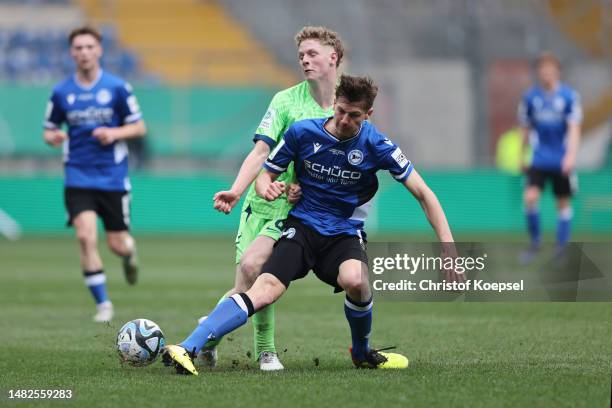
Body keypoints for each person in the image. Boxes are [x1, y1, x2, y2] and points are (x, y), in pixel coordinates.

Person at [162, 74, 460, 375]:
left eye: (354, 115)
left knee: (356, 280)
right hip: (301, 227)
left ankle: (361, 352)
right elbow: (267, 173)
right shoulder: (301, 133)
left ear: (368, 115)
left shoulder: (377, 144)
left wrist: (448, 249)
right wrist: (267, 187)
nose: (344, 120)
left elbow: (425, 194)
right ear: (334, 104)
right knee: (264, 288)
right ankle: (187, 347)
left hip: (344, 233)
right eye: (340, 110)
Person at [203, 26, 344, 371]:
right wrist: (237, 190)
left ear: (333, 57)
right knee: (243, 285)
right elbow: (261, 150)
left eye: (312, 54)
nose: (305, 60)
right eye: (301, 56)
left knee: (256, 268)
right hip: (259, 202)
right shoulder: (285, 101)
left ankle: (265, 351)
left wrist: (306, 191)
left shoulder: (346, 107)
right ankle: (208, 337)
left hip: (295, 209)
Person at [43, 26, 146, 322]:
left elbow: (139, 127)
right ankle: (103, 304)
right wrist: (53, 137)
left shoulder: (117, 88)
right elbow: (49, 128)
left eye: (89, 47)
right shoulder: (61, 92)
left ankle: (129, 252)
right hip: (77, 176)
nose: (84, 52)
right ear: (71, 53)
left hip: (112, 177)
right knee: (85, 236)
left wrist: (114, 133)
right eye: (78, 48)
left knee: (116, 244)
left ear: (99, 50)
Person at [518, 52, 582, 263]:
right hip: (539, 159)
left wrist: (571, 156)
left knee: (562, 203)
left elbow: (574, 128)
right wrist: (522, 155)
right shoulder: (530, 98)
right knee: (530, 198)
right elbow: (525, 128)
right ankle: (535, 242)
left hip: (561, 160)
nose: (546, 74)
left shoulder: (568, 97)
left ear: (557, 72)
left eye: (550, 70)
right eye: (543, 70)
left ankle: (561, 248)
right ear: (539, 72)